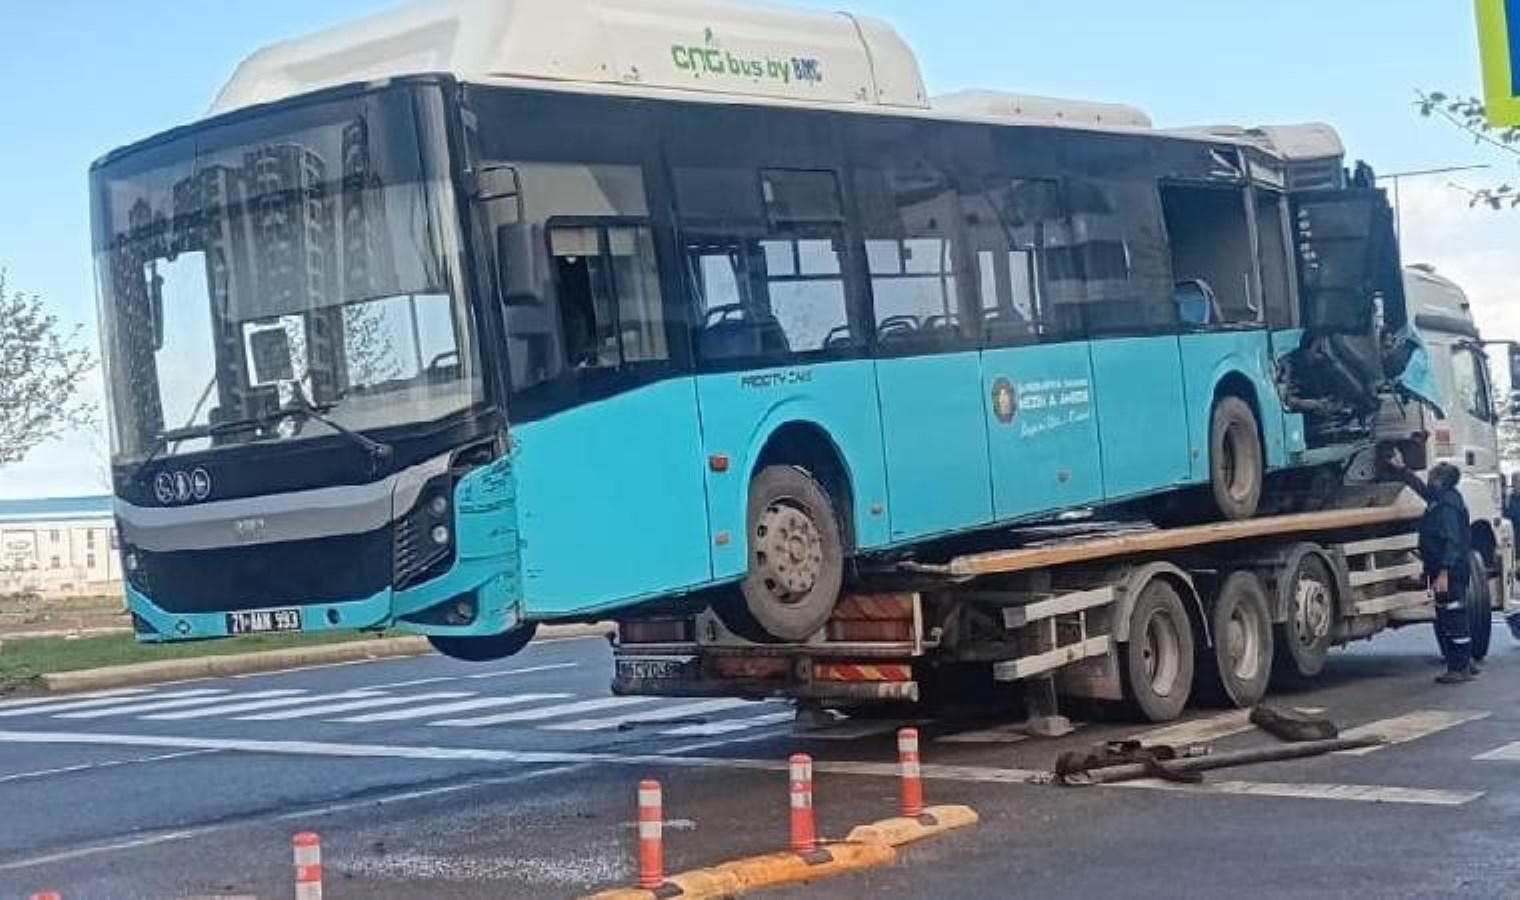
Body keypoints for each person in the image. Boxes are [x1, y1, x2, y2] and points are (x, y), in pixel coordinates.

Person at [1386, 452, 1477, 684]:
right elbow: (1421, 489)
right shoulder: (1442, 497)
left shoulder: (1445, 506)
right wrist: (1402, 469)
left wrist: (1444, 572)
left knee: (1452, 616)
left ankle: (1459, 667)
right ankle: (1464, 662)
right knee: (1451, 615)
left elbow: (1452, 541)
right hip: (1444, 568)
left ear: (1440, 481)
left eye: (1432, 476)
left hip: (1449, 571)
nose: (1428, 478)